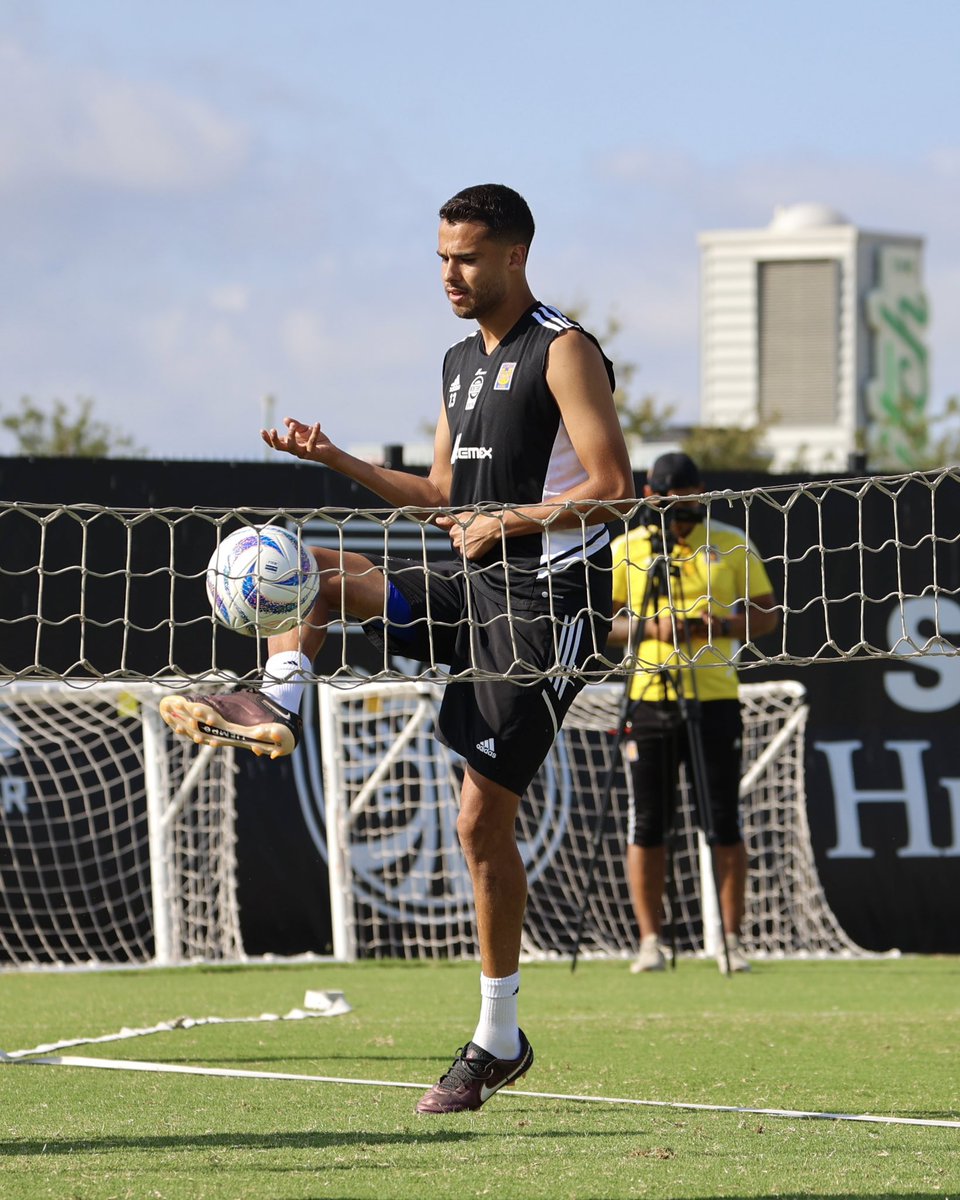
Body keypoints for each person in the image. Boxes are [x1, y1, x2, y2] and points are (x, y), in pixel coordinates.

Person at [160, 184, 633, 1112]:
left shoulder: (565, 349)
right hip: (479, 581)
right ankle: (278, 700)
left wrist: (516, 519)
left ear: (513, 257)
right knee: (308, 566)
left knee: (474, 825)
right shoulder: (458, 363)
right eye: (441, 257)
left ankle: (498, 1036)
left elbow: (617, 486)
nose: (450, 274)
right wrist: (335, 458)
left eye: (466, 258)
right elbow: (440, 495)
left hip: (551, 605)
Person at [608, 452, 779, 975]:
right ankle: (650, 943)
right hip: (648, 696)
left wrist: (721, 627)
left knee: (723, 820)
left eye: (688, 504)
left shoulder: (730, 542)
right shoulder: (626, 549)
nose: (679, 516)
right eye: (668, 504)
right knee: (647, 823)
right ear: (647, 494)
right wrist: (650, 630)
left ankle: (730, 942)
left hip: (715, 694)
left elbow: (767, 614)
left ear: (702, 493)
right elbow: (601, 622)